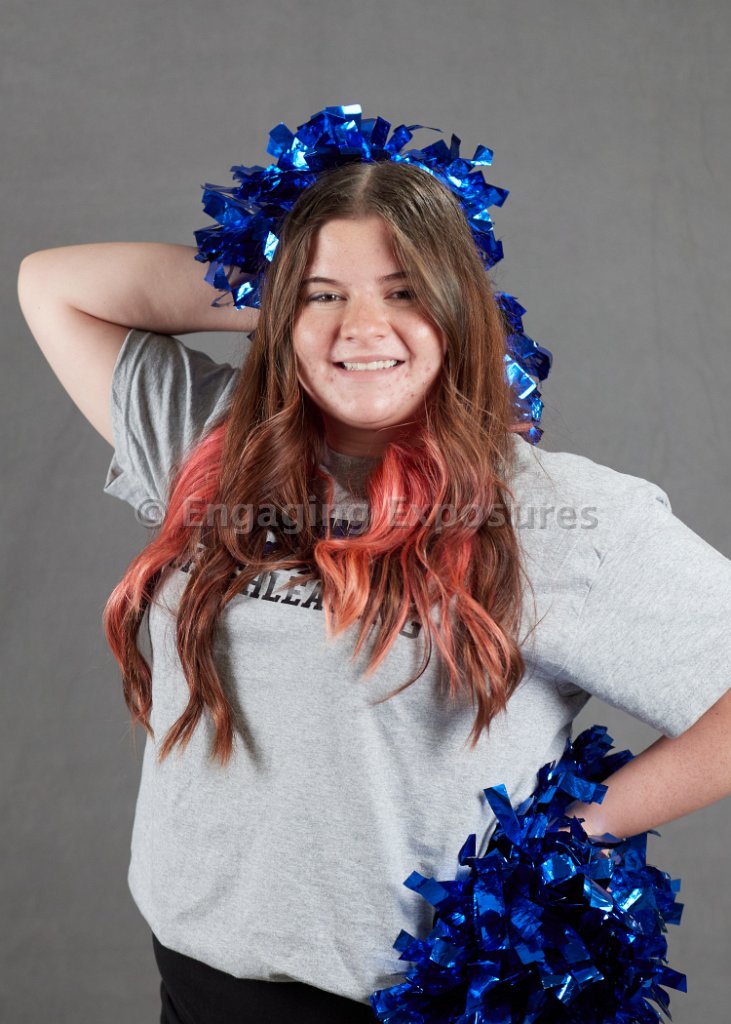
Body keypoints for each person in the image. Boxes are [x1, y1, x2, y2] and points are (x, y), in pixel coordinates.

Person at [17, 108, 731, 1024]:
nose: (362, 327)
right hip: (195, 982)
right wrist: (288, 288)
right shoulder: (213, 446)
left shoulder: (557, 513)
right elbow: (53, 285)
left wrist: (577, 829)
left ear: (458, 310)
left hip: (400, 1004)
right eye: (324, 296)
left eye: (404, 292)